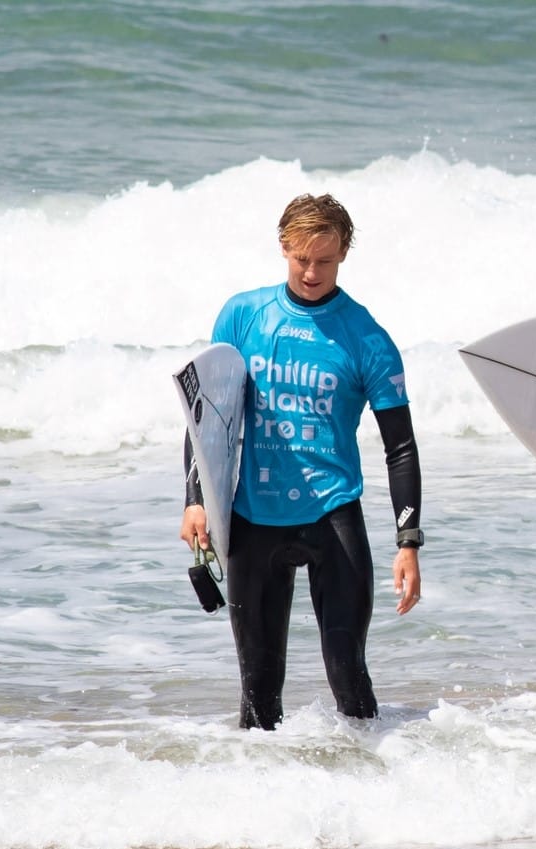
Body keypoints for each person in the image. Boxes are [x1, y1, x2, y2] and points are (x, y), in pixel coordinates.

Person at [180, 193, 424, 729]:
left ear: (344, 254)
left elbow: (400, 447)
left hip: (333, 517)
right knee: (258, 696)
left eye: (325, 261)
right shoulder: (243, 317)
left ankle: (376, 773)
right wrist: (196, 501)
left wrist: (407, 542)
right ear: (283, 247)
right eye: (301, 259)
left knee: (348, 678)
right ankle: (262, 783)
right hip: (254, 518)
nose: (312, 273)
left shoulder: (367, 338)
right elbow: (206, 421)